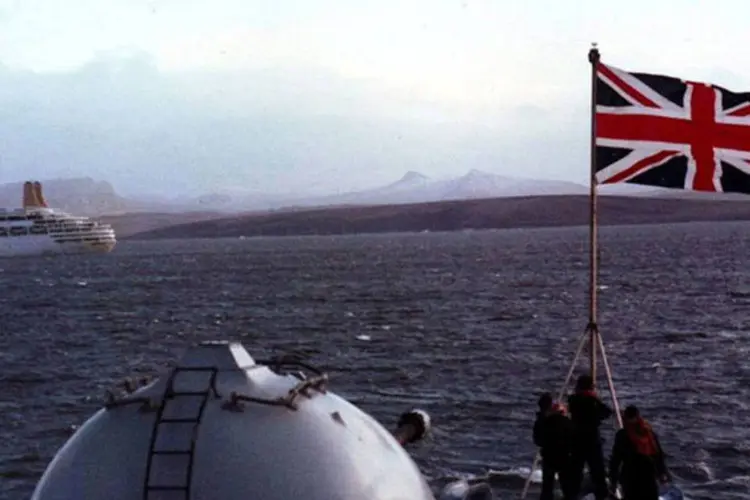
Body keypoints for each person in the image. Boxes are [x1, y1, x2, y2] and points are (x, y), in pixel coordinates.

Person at [609, 405, 671, 500]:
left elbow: (615, 460)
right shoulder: (648, 432)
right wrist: (662, 473)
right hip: (649, 476)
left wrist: (613, 481)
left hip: (630, 477)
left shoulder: (622, 435)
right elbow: (658, 455)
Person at [566, 374, 612, 500]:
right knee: (597, 471)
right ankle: (601, 495)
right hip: (592, 439)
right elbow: (606, 412)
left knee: (576, 471)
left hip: (577, 439)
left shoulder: (574, 400)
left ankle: (571, 495)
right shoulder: (592, 401)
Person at [533, 392, 577, 500]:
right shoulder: (561, 420)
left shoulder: (540, 421)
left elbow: (538, 440)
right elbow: (573, 435)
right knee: (566, 487)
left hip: (548, 456)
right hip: (563, 456)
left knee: (547, 488)